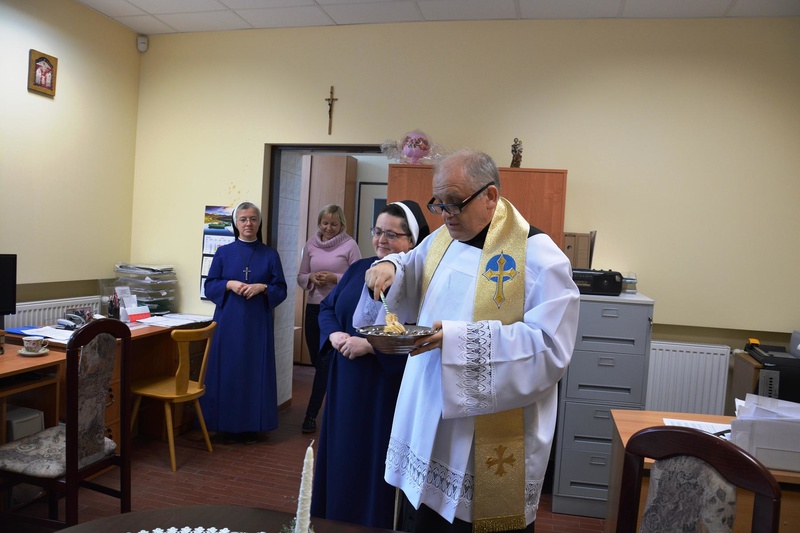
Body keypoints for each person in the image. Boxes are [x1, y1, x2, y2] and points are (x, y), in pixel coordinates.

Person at [354, 150, 580, 533]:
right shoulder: (442, 239)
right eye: (439, 203)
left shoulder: (539, 257)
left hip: (482, 436)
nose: (445, 214)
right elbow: (411, 267)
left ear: (490, 196)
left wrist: (458, 341)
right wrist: (390, 265)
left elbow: (550, 348)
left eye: (455, 202)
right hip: (427, 411)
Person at [311, 200, 430, 529]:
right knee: (341, 457)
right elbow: (328, 308)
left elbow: (423, 338)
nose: (381, 240)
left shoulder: (420, 282)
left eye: (392, 234)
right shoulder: (359, 268)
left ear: (413, 241)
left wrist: (372, 345)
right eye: (378, 231)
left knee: (373, 463)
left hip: (385, 389)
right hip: (345, 384)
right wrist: (334, 334)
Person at [202, 201, 288, 444]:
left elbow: (281, 289)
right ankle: (225, 426)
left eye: (252, 219)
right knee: (227, 372)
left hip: (257, 325)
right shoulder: (223, 253)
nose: (248, 223)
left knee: (254, 373)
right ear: (236, 223)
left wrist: (263, 287)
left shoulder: (270, 255)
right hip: (228, 323)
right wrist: (229, 284)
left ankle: (253, 426)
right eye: (243, 219)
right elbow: (209, 286)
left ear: (259, 223)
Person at [296, 204, 361, 433]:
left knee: (325, 364)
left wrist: (335, 278)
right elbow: (301, 276)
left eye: (334, 224)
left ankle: (311, 415)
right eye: (325, 223)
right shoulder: (310, 244)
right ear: (319, 223)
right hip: (314, 308)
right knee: (319, 363)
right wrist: (311, 277)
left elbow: (358, 278)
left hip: (337, 312)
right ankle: (338, 405)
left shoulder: (350, 245)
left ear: (342, 224)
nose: (329, 228)